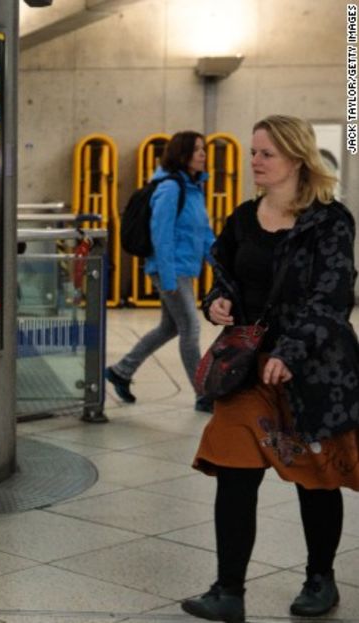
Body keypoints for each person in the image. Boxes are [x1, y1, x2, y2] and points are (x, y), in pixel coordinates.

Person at [181, 115, 359, 622]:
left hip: (315, 369)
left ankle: (320, 580)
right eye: (253, 152)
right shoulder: (242, 218)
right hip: (248, 368)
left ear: (297, 159)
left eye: (266, 154)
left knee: (315, 478)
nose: (254, 162)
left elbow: (332, 298)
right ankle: (228, 590)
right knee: (234, 472)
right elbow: (224, 279)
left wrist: (292, 351)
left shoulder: (330, 220)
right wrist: (216, 301)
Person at [105, 131, 216, 413]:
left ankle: (121, 371)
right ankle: (203, 394)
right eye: (197, 150)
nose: (203, 154)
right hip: (169, 269)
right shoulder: (170, 188)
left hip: (184, 269)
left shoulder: (193, 187)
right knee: (190, 328)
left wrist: (220, 263)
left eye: (204, 149)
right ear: (183, 154)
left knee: (169, 327)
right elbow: (161, 235)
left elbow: (203, 231)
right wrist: (167, 278)